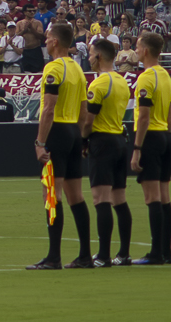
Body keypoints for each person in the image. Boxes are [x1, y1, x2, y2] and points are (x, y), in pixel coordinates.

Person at [30, 20, 91, 269]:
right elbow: (84, 109)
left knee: (51, 195)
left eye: (47, 38)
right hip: (74, 133)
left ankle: (53, 256)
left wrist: (40, 142)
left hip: (56, 132)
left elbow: (48, 109)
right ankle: (85, 255)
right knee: (76, 195)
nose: (45, 41)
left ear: (55, 41)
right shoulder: (77, 69)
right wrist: (81, 137)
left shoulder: (53, 68)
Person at [80, 37, 133, 266]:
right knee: (119, 199)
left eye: (91, 54)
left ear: (99, 56)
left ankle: (103, 256)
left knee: (100, 199)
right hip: (120, 141)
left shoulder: (99, 84)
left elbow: (89, 121)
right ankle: (123, 253)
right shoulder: (122, 81)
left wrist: (83, 141)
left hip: (102, 142)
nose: (89, 58)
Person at [129, 32, 171, 265]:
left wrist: (137, 148)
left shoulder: (146, 78)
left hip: (150, 138)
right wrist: (166, 137)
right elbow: (170, 112)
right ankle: (167, 252)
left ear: (146, 50)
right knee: (165, 197)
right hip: (165, 137)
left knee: (152, 198)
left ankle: (155, 253)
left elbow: (144, 117)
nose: (136, 50)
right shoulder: (166, 76)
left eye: (138, 46)